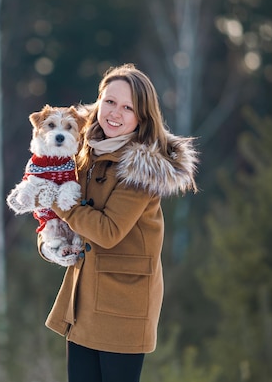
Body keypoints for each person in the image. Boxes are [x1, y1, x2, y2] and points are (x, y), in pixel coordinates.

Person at [37, 63, 198, 382]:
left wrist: (55, 195)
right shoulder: (82, 149)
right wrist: (50, 243)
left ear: (142, 117)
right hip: (83, 300)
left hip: (124, 307)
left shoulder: (143, 167)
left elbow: (107, 231)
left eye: (128, 108)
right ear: (99, 101)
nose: (115, 113)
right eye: (110, 102)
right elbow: (60, 216)